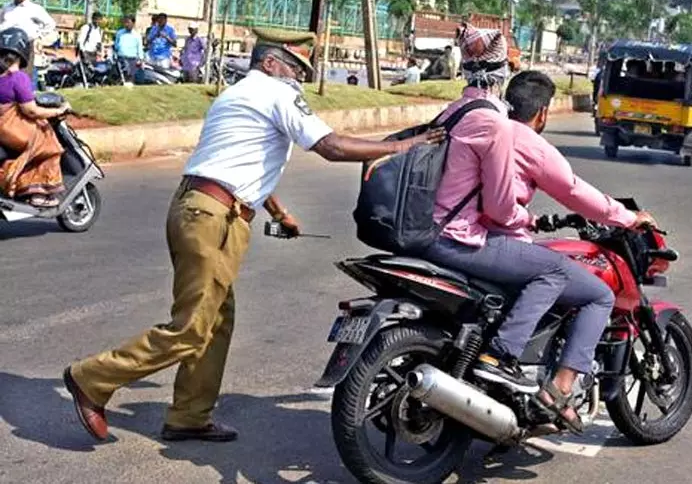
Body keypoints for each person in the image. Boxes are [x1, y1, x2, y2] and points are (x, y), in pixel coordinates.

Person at [62, 33, 445, 443]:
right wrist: (405, 146)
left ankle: (190, 415)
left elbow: (239, 161)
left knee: (216, 321)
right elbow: (330, 146)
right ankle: (92, 377)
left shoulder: (237, 94)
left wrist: (277, 211)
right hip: (213, 218)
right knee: (192, 327)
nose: (298, 79)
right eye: (294, 69)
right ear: (270, 63)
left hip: (200, 208)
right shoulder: (274, 92)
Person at [420, 27, 654, 434]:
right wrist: (627, 217)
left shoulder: (458, 113)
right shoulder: (510, 133)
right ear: (543, 112)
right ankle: (542, 379)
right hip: (464, 237)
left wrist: (525, 220)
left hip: (431, 229)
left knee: (538, 265)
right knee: (591, 290)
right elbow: (569, 192)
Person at [0, 27, 71, 207]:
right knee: (49, 144)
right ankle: (38, 193)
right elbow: (31, 111)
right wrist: (58, 111)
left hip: (4, 130)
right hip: (11, 130)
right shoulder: (18, 78)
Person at [0, 0, 56, 90]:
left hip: (25, 45)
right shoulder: (6, 7)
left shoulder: (34, 8)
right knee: (4, 73)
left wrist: (39, 37)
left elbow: (50, 24)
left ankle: (25, 96)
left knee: (24, 76)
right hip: (6, 45)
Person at [113, 15, 143, 81]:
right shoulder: (119, 33)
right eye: (125, 22)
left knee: (130, 79)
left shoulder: (137, 35)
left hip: (132, 60)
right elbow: (116, 46)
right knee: (120, 79)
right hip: (121, 59)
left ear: (133, 23)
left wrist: (140, 60)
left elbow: (140, 48)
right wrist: (115, 56)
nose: (126, 24)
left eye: (128, 22)